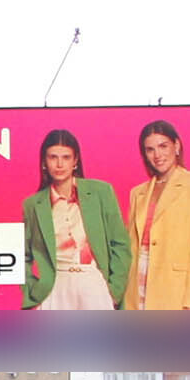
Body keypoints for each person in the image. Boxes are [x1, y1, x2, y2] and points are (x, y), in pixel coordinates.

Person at [21, 129, 133, 310]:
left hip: (94, 283)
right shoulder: (33, 204)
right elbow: (22, 256)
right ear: (44, 161)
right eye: (53, 157)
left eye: (66, 157)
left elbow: (120, 244)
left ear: (75, 161)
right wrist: (34, 295)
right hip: (55, 286)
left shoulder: (100, 192)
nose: (59, 164)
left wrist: (113, 290)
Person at [124, 120, 190, 312]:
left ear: (177, 145)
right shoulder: (138, 192)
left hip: (175, 287)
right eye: (150, 149)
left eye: (163, 146)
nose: (157, 155)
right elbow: (131, 244)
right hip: (137, 282)